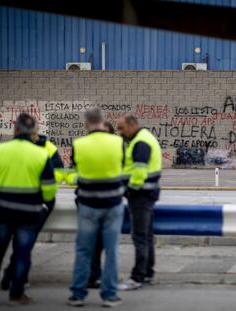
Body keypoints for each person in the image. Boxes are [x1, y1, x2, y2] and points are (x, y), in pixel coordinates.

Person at [0, 113, 57, 307]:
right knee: (22, 253)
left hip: (3, 210)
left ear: (15, 129)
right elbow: (50, 188)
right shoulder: (41, 154)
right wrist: (41, 200)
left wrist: (0, 192)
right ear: (34, 131)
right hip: (29, 212)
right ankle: (16, 295)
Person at [66, 109, 125, 307]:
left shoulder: (78, 144)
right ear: (103, 122)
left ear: (86, 124)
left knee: (83, 250)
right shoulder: (118, 143)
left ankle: (78, 294)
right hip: (112, 204)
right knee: (111, 251)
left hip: (87, 204)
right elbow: (124, 168)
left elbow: (75, 169)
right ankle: (109, 295)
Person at [0, 127, 64, 291]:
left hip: (40, 200)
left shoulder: (48, 148)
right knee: (24, 240)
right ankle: (16, 277)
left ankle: (12, 275)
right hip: (25, 198)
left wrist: (41, 179)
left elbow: (59, 171)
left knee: (25, 240)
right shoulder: (17, 148)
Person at [116, 115, 162, 291]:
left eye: (122, 128)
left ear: (132, 125)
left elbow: (139, 173)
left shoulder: (141, 143)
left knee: (140, 237)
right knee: (147, 236)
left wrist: (128, 190)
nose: (120, 132)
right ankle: (148, 273)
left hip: (140, 195)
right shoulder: (143, 138)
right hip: (147, 194)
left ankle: (138, 277)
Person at [88, 121, 116, 289]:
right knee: (92, 245)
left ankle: (102, 282)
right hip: (94, 203)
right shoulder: (118, 148)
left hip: (106, 203)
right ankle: (96, 279)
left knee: (102, 245)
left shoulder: (84, 147)